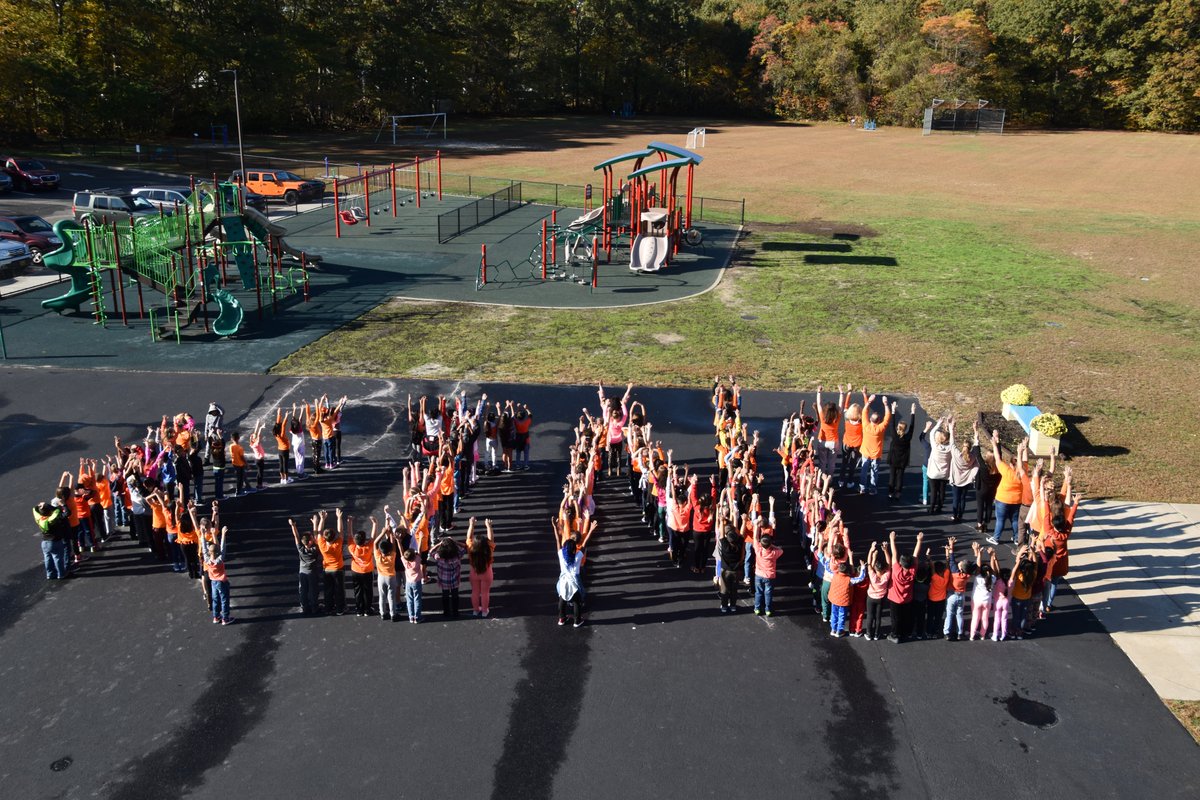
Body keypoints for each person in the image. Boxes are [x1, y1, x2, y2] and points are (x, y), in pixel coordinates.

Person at [554, 515, 596, 627]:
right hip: (574, 584)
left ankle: (561, 619)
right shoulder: (577, 556)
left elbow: (558, 540)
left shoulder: (561, 556)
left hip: (563, 583)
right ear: (574, 550)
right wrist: (591, 530)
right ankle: (577, 621)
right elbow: (585, 543)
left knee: (562, 599)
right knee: (576, 602)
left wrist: (554, 527)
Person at [987, 429, 1023, 546]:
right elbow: (1024, 462)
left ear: (1011, 464)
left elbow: (997, 458)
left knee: (1000, 520)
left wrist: (994, 444)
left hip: (1003, 499)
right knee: (1015, 520)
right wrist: (1022, 451)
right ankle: (1017, 538)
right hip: (1017, 500)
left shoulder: (1007, 470)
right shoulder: (1023, 473)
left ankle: (996, 538)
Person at [886, 529, 922, 642]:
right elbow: (916, 555)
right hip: (907, 599)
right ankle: (905, 633)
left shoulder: (896, 570)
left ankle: (895, 635)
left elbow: (894, 554)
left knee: (895, 618)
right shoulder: (913, 571)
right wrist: (919, 541)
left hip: (895, 599)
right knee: (905, 616)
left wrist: (892, 539)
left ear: (901, 563)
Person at [857, 391, 891, 494]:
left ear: (871, 419)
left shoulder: (866, 426)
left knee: (864, 471)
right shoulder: (881, 428)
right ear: (879, 420)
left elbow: (864, 412)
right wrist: (886, 404)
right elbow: (888, 417)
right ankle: (872, 488)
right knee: (874, 472)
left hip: (866, 453)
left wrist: (869, 401)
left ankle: (862, 488)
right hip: (876, 455)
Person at [948, 420, 979, 523]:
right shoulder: (973, 456)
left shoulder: (957, 455)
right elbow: (977, 444)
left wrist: (952, 429)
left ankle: (954, 515)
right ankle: (960, 515)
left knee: (955, 499)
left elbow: (952, 443)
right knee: (963, 499)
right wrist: (975, 430)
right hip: (966, 481)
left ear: (963, 446)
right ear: (970, 448)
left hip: (956, 480)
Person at [828, 554, 867, 637]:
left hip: (834, 600)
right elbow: (861, 578)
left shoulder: (834, 575)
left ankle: (833, 629)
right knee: (841, 616)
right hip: (843, 602)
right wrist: (863, 567)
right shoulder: (850, 580)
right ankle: (839, 631)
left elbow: (827, 569)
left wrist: (832, 559)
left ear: (839, 569)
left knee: (834, 614)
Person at [317, 509, 347, 615]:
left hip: (327, 570)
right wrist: (339, 517)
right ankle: (340, 609)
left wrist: (322, 519)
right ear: (334, 537)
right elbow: (341, 532)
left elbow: (319, 532)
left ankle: (328, 608)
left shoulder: (321, 544)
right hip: (338, 569)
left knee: (328, 590)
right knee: (339, 590)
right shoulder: (337, 544)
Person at [752, 517, 783, 617]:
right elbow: (781, 550)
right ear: (770, 544)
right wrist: (772, 546)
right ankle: (768, 610)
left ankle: (757, 608)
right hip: (769, 576)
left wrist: (756, 527)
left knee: (758, 592)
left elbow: (755, 538)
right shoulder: (774, 552)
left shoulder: (758, 550)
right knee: (768, 593)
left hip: (758, 575)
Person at [33, 500, 71, 580]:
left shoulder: (39, 519)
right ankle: (61, 574)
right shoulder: (51, 521)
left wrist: (39, 506)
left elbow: (34, 510)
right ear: (50, 512)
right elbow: (57, 511)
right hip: (54, 542)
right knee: (57, 558)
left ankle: (50, 574)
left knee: (47, 558)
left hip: (44, 542)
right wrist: (52, 506)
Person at [466, 517, 496, 617]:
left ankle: (475, 610)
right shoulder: (489, 549)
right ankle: (484, 611)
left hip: (474, 573)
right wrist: (489, 527)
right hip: (487, 573)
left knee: (475, 591)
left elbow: (469, 538)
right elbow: (491, 539)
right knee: (485, 592)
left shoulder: (471, 548)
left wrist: (471, 525)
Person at [204, 523, 233, 625]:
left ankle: (216, 617)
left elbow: (204, 548)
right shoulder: (219, 560)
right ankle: (225, 618)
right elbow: (222, 548)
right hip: (222, 581)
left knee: (215, 599)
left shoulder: (207, 560)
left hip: (213, 582)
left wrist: (203, 535)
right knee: (224, 600)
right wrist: (224, 534)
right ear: (217, 552)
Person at [347, 517, 376, 617]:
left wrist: (350, 522)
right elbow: (373, 537)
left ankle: (359, 609)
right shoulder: (368, 547)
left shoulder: (352, 547)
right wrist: (375, 524)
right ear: (364, 540)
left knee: (358, 590)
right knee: (368, 590)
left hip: (356, 571)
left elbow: (349, 535)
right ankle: (367, 610)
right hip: (367, 571)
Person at [925, 416, 952, 515]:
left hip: (933, 473)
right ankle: (939, 507)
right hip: (944, 474)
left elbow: (931, 433)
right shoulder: (950, 448)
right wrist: (950, 427)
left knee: (933, 491)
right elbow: (952, 440)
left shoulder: (935, 446)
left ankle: (931, 508)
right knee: (942, 491)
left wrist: (938, 423)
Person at [432, 534, 465, 617]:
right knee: (455, 595)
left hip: (443, 581)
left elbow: (431, 551)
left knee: (445, 595)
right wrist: (455, 542)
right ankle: (455, 611)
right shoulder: (457, 556)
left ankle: (446, 611)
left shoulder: (438, 557)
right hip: (455, 580)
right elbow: (465, 547)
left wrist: (439, 544)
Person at [864, 541, 890, 641]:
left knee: (870, 616)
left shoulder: (872, 575)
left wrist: (871, 549)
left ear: (876, 568)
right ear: (884, 569)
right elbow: (889, 563)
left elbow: (869, 563)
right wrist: (885, 551)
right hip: (881, 598)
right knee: (878, 617)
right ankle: (876, 634)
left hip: (871, 598)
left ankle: (869, 634)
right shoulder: (886, 576)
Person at [717, 524, 742, 613]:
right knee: (734, 589)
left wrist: (722, 521)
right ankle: (733, 606)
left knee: (724, 589)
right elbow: (741, 534)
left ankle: (724, 606)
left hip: (725, 571)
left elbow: (721, 534)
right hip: (735, 572)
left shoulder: (724, 545)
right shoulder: (739, 545)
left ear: (727, 538)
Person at [401, 538, 425, 623]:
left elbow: (401, 552)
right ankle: (417, 617)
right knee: (417, 599)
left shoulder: (405, 562)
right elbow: (419, 550)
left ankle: (411, 617)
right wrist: (421, 540)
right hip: (417, 582)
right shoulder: (417, 560)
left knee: (409, 599)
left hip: (408, 583)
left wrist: (398, 542)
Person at [229, 431, 248, 495]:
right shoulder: (240, 448)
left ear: (232, 439)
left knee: (239, 477)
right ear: (238, 438)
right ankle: (239, 491)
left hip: (235, 463)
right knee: (240, 478)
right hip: (240, 464)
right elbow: (242, 457)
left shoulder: (231, 446)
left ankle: (239, 490)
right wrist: (246, 464)